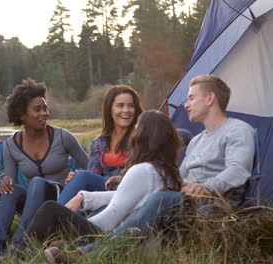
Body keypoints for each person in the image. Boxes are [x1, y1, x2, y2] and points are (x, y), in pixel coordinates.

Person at [44, 74, 256, 262]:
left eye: (191, 97)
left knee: (161, 199)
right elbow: (179, 180)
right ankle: (75, 236)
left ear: (210, 99)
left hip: (212, 207)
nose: (186, 103)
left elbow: (238, 170)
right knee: (135, 196)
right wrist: (127, 182)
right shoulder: (198, 140)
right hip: (185, 201)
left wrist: (207, 187)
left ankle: (84, 254)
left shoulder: (237, 130)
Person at [15, 110, 183, 259]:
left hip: (115, 238)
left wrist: (71, 231)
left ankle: (16, 254)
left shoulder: (141, 171)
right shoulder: (166, 171)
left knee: (51, 210)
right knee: (64, 212)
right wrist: (84, 197)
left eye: (137, 128)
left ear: (143, 136)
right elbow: (125, 197)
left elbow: (111, 216)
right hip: (142, 240)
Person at [0, 79, 88, 262]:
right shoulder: (11, 145)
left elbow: (90, 168)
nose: (44, 113)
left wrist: (78, 177)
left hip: (60, 200)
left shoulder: (63, 137)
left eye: (45, 108)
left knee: (37, 182)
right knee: (9, 189)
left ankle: (18, 247)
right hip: (32, 203)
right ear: (22, 114)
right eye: (37, 109)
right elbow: (11, 178)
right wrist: (6, 181)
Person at [57, 85, 144, 206]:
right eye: (120, 105)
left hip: (128, 189)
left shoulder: (141, 139)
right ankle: (57, 216)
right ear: (110, 109)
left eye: (131, 105)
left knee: (82, 176)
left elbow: (143, 173)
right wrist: (76, 178)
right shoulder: (98, 143)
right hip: (104, 189)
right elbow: (93, 175)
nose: (126, 110)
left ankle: (54, 215)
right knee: (80, 176)